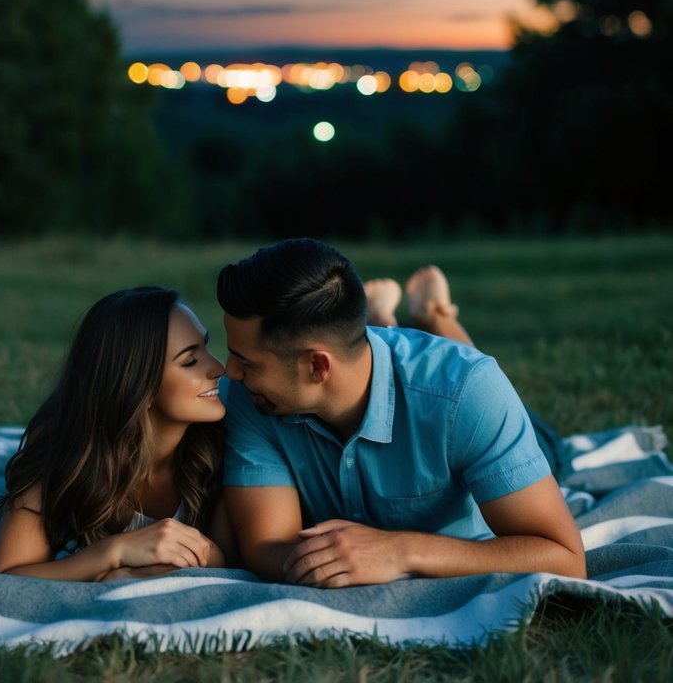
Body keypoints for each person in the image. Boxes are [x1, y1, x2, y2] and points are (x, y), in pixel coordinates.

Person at [217, 238, 586, 588]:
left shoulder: (467, 392)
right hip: (386, 374)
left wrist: (399, 551)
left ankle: (435, 314)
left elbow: (566, 559)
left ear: (317, 366)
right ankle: (382, 318)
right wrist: (340, 558)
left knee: (537, 440)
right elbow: (266, 548)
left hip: (464, 403)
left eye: (246, 361)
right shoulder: (249, 395)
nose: (228, 371)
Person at [0, 286, 234, 580]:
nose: (219, 368)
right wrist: (115, 552)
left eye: (205, 347)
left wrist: (136, 573)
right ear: (138, 386)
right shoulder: (62, 452)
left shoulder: (222, 447)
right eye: (190, 361)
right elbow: (8, 572)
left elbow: (229, 560)